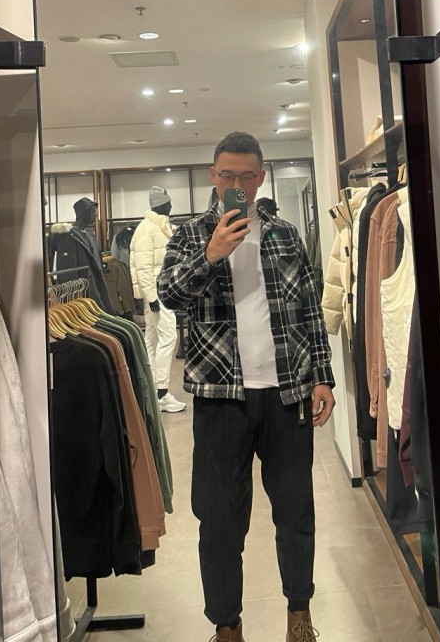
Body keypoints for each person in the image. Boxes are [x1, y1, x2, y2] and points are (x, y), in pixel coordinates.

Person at [157, 132, 335, 642]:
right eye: (228, 175)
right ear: (213, 175)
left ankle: (299, 615)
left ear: (260, 177)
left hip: (286, 391)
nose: (237, 184)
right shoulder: (190, 235)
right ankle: (227, 626)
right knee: (218, 521)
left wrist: (322, 375)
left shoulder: (285, 234)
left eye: (247, 176)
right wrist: (211, 254)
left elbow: (309, 309)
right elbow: (169, 294)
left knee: (296, 511)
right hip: (220, 397)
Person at [130, 186, 186, 413]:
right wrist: (152, 296)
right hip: (158, 292)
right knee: (168, 337)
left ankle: (152, 391)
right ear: (162, 204)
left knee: (152, 340)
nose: (171, 206)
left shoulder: (158, 227)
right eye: (169, 203)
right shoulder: (147, 229)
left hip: (158, 291)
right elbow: (142, 267)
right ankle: (161, 392)